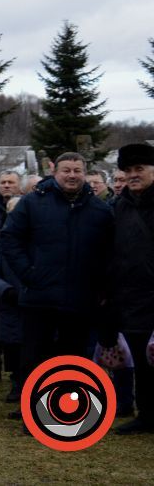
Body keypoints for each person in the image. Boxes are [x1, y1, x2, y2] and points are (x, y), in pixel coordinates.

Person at [0, 152, 114, 420]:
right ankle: (32, 412)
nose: (72, 175)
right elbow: (10, 239)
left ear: (84, 172)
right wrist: (28, 273)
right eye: (66, 170)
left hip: (79, 298)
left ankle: (63, 413)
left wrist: (99, 286)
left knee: (73, 358)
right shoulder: (33, 203)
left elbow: (109, 253)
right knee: (34, 357)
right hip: (39, 296)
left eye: (77, 170)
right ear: (55, 172)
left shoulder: (101, 210)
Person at [104, 143, 154, 434]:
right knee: (142, 363)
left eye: (140, 169)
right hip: (130, 298)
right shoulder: (120, 205)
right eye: (128, 170)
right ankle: (147, 415)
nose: (133, 175)